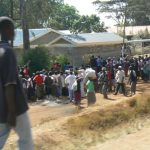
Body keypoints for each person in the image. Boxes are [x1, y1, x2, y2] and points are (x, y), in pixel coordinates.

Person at [0, 17, 33, 149]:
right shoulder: (8, 52)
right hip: (16, 108)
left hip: (0, 109)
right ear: (7, 30)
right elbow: (10, 84)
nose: (14, 32)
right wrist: (12, 111)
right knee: (26, 141)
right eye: (13, 28)